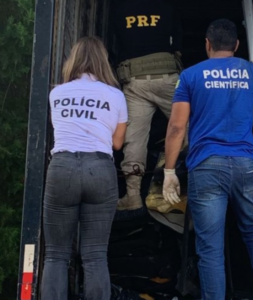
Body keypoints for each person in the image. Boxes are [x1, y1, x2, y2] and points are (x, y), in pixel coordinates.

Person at [162, 19, 253, 300]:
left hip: (206, 168)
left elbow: (177, 127)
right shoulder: (252, 72)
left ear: (207, 44)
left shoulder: (191, 76)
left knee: (210, 248)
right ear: (237, 45)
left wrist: (169, 171)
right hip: (245, 166)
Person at [41, 36, 127, 300]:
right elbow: (117, 143)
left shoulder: (57, 93)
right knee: (95, 255)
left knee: (56, 255)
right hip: (100, 169)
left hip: (63, 167)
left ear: (73, 61)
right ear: (103, 62)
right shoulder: (116, 95)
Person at [112, 0, 183, 210]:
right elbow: (177, 44)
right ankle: (190, 183)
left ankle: (132, 195)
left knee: (134, 140)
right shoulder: (167, 7)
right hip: (168, 76)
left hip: (135, 81)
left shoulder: (121, 9)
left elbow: (120, 41)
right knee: (189, 128)